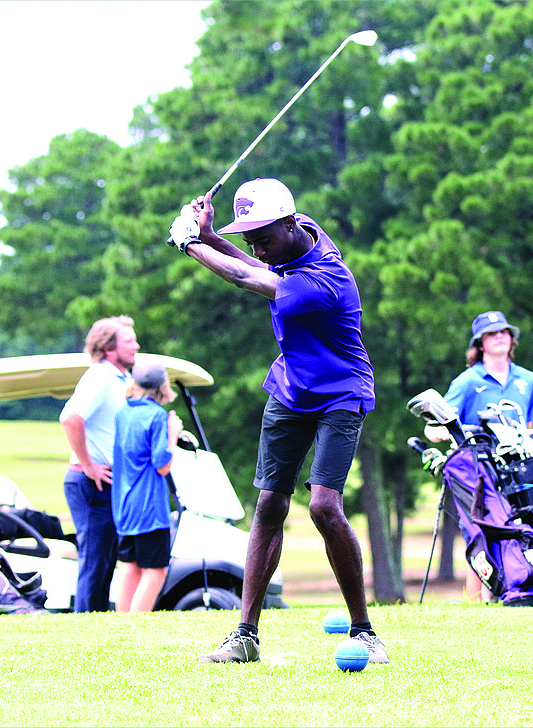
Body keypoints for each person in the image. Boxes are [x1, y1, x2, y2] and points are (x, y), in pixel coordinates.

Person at [170, 177, 387, 664]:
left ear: (288, 225)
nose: (258, 249)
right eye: (251, 239)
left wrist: (188, 244)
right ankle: (245, 635)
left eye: (264, 238)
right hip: (291, 388)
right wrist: (208, 236)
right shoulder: (300, 233)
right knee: (268, 505)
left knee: (324, 508)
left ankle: (365, 631)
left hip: (342, 392)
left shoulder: (328, 278)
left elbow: (250, 279)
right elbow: (256, 264)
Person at [427, 311, 533, 602]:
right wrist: (446, 431)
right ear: (480, 344)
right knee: (481, 531)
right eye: (492, 334)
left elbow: (528, 426)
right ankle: (477, 601)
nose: (500, 337)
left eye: (504, 332)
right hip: (477, 469)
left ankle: (518, 589)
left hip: (517, 468)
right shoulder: (467, 381)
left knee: (520, 526)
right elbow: (434, 426)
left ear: (512, 339)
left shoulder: (529, 380)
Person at [59, 315, 140, 612]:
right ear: (108, 347)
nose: (136, 346)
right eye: (129, 341)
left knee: (105, 559)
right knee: (95, 561)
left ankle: (97, 624)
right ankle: (86, 628)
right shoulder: (100, 377)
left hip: (108, 483)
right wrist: (89, 465)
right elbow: (70, 418)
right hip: (91, 482)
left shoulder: (118, 379)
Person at [111, 361, 183, 613]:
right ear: (163, 387)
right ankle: (136, 626)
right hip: (149, 508)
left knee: (130, 566)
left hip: (124, 505)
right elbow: (162, 464)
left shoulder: (123, 412)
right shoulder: (157, 416)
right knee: (155, 571)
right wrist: (172, 432)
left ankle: (122, 625)